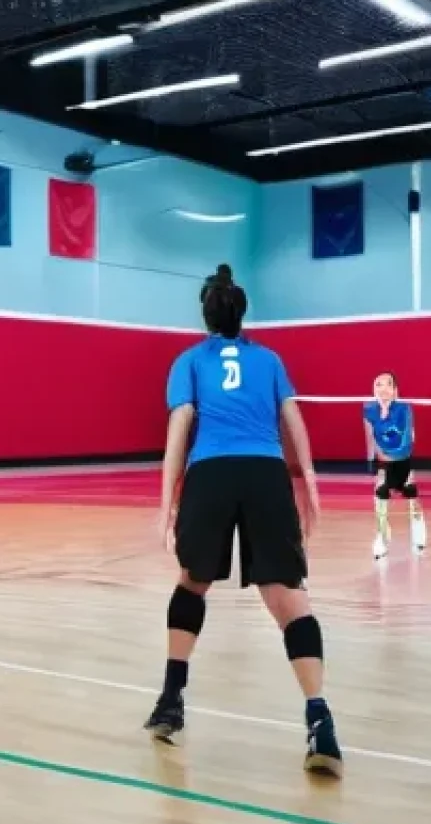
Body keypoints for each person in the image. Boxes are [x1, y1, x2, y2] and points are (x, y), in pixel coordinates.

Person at [145, 265, 342, 778]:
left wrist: (165, 502)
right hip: (265, 474)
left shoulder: (188, 361)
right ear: (241, 312)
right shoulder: (270, 360)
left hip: (210, 472)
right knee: (289, 598)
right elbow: (293, 420)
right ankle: (320, 720)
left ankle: (171, 698)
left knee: (192, 583)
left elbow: (179, 426)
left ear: (205, 314)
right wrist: (311, 483)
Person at [363, 372, 427, 559]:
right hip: (384, 464)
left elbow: (406, 438)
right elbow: (369, 436)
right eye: (378, 385)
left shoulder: (404, 410)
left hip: (403, 461)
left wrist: (396, 455)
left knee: (411, 497)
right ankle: (381, 538)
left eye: (387, 385)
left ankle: (418, 529)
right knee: (380, 496)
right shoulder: (368, 410)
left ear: (395, 391)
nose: (383, 388)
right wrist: (371, 461)